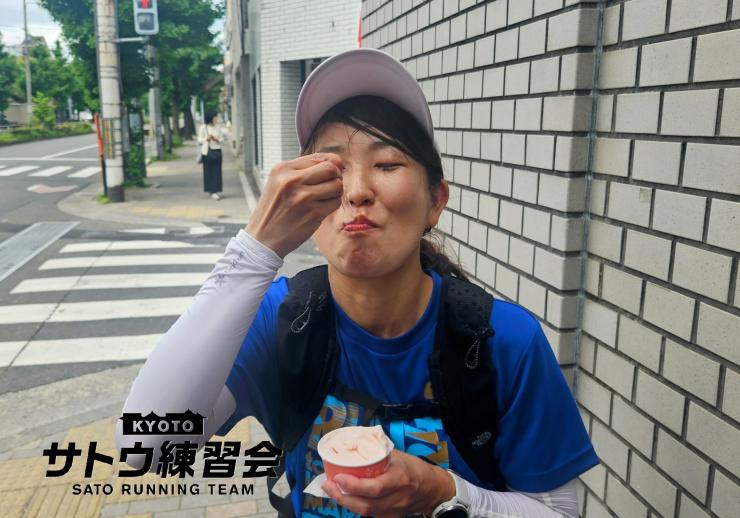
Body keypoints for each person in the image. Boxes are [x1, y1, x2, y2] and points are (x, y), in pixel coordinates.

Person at [117, 48, 599, 517]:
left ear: (435, 201)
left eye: (386, 164)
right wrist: (256, 248)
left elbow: (557, 510)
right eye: (332, 170)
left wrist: (442, 492)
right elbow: (144, 444)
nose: (356, 191)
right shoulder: (279, 321)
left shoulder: (505, 341)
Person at [198, 112, 225, 200]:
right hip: (207, 151)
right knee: (208, 171)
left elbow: (222, 139)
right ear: (210, 118)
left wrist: (217, 139)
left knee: (217, 171)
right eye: (215, 117)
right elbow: (199, 139)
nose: (216, 119)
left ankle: (215, 190)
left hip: (217, 150)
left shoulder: (218, 127)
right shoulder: (203, 127)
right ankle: (211, 190)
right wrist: (207, 138)